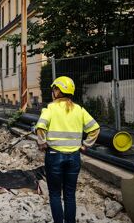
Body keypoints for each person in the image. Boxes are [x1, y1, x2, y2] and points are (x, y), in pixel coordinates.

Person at [35, 76, 100, 223]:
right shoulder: (79, 110)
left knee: (55, 194)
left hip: (54, 156)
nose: (53, 92)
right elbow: (95, 128)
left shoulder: (50, 108)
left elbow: (40, 127)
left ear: (58, 91)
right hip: (74, 157)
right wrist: (86, 145)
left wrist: (42, 143)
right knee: (70, 195)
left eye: (54, 89)